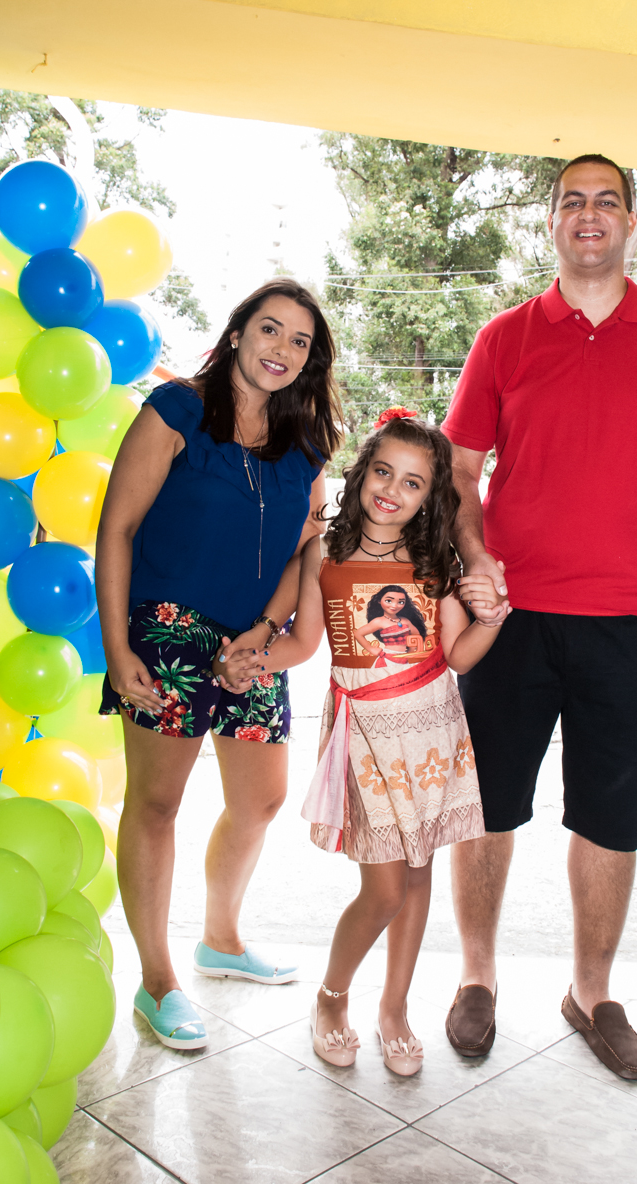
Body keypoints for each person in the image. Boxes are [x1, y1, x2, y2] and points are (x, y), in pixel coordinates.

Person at [439, 154, 637, 1079]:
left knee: (612, 817)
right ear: (553, 223)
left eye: (607, 201)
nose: (590, 215)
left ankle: (590, 991)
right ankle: (477, 979)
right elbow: (456, 471)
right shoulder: (506, 337)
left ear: (631, 222)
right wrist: (476, 560)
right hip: (511, 620)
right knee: (487, 807)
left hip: (636, 622)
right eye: (572, 201)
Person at [95, 278, 342, 1051]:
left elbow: (306, 545)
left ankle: (221, 941)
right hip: (166, 627)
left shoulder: (306, 444)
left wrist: (266, 636)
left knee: (263, 799)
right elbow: (117, 530)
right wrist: (117, 646)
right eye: (269, 330)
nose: (281, 350)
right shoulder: (175, 412)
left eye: (299, 341)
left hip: (251, 639)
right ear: (237, 334)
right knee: (159, 804)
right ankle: (158, 979)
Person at [219, 412, 504, 1075]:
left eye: (411, 483)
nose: (391, 491)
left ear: (428, 496)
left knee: (417, 873)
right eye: (382, 472)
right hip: (365, 736)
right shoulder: (324, 554)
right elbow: (299, 642)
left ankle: (395, 1007)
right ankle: (331, 996)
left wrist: (494, 616)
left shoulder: (437, 562)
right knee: (382, 891)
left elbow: (460, 656)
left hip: (431, 733)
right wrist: (252, 660)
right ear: (363, 472)